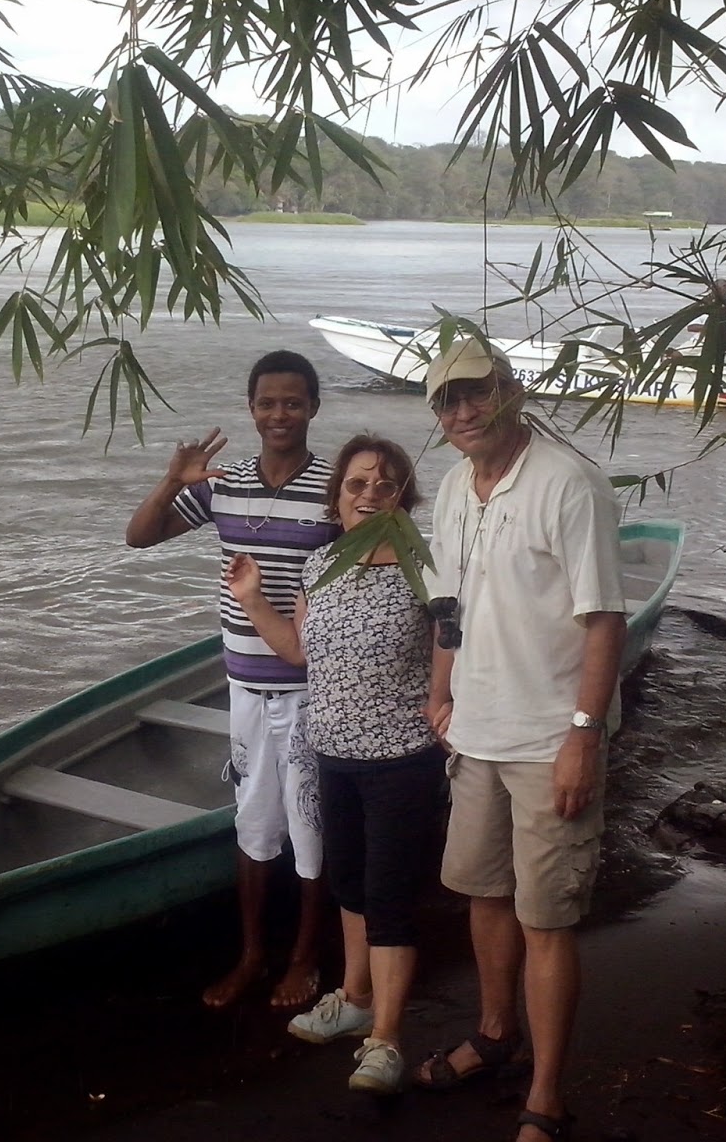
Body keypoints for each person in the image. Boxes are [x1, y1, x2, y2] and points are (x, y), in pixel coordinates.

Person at [414, 338, 626, 1142]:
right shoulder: (451, 487)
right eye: (445, 401)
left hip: (548, 740)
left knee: (546, 919)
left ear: (513, 388)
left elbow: (603, 617)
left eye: (475, 393)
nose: (462, 412)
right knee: (485, 896)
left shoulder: (568, 484)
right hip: (476, 733)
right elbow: (448, 608)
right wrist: (441, 693)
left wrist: (583, 735)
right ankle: (495, 1035)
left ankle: (546, 1095)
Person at [225, 435, 445, 1095]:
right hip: (332, 751)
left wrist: (446, 705)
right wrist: (253, 598)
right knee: (349, 883)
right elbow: (298, 652)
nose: (370, 493)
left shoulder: (425, 568)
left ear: (404, 497)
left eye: (386, 483)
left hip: (401, 755)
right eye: (357, 483)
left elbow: (453, 648)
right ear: (337, 495)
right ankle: (354, 997)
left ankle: (387, 1039)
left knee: (389, 898)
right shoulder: (320, 562)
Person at [125, 350, 340, 1011]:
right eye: (268, 402)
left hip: (311, 686)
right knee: (252, 823)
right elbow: (139, 536)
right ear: (251, 410)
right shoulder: (225, 483)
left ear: (313, 407)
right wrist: (171, 480)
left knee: (310, 826)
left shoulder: (337, 489)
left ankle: (304, 957)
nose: (281, 414)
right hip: (244, 684)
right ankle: (251, 955)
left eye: (294, 401)